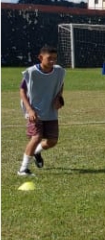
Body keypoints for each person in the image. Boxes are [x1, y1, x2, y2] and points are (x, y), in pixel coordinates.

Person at [18, 45, 66, 176]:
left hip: (51, 111)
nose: (52, 62)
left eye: (55, 59)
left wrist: (58, 97)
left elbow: (60, 84)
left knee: (52, 141)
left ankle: (36, 152)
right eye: (49, 58)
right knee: (36, 137)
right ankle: (23, 169)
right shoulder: (31, 72)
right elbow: (22, 90)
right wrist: (29, 110)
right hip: (35, 112)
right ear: (40, 58)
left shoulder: (59, 71)